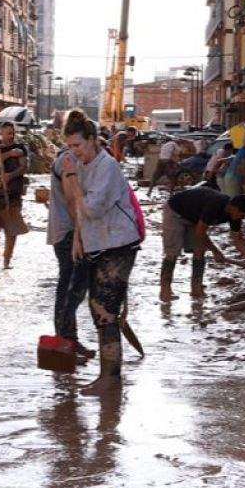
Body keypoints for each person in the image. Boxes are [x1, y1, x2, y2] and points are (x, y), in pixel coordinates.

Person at [66, 110, 143, 380]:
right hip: (98, 243)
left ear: (91, 140)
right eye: (69, 146)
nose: (74, 151)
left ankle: (110, 380)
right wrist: (77, 238)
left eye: (77, 145)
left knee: (105, 311)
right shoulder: (83, 164)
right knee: (98, 310)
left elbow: (90, 208)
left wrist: (72, 180)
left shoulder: (107, 166)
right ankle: (107, 376)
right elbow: (80, 209)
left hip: (119, 244)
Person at [46, 112, 94, 363]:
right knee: (70, 289)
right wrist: (79, 233)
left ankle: (69, 341)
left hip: (65, 230)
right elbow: (71, 200)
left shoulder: (69, 157)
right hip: (68, 232)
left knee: (71, 287)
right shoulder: (68, 160)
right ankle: (63, 346)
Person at [158, 188, 245, 301]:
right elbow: (200, 232)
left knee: (200, 251)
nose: (242, 218)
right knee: (172, 252)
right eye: (241, 214)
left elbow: (237, 238)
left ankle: (196, 289)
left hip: (195, 217)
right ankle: (165, 290)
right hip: (175, 212)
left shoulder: (235, 216)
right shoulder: (215, 205)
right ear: (233, 207)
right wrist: (216, 252)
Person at [0, 121, 28, 269]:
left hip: (13, 193)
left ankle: (7, 258)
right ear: (1, 132)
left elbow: (23, 167)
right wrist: (8, 154)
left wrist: (10, 175)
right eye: (7, 133)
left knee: (11, 228)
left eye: (12, 133)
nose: (10, 136)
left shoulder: (20, 148)